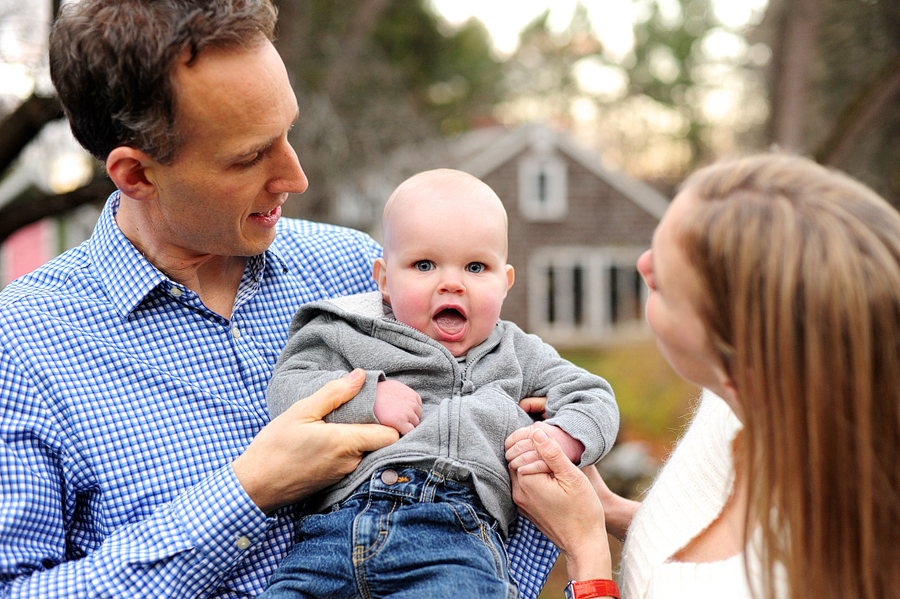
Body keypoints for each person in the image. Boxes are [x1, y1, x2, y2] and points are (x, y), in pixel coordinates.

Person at [0, 2, 556, 597]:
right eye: (248, 156)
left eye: (286, 131)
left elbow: (518, 447)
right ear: (136, 175)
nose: (295, 176)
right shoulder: (23, 346)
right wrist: (247, 492)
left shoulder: (355, 269)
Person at [505, 153, 900, 599]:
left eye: (664, 286)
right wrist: (609, 510)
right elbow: (695, 555)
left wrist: (585, 547)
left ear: (744, 368)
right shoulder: (730, 405)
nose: (643, 265)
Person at [259, 168, 620, 598]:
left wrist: (564, 438)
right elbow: (288, 388)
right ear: (385, 280)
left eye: (475, 266)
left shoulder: (518, 352)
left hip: (455, 534)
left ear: (505, 284)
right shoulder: (348, 331)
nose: (452, 282)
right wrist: (367, 396)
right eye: (424, 265)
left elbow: (593, 395)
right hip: (332, 533)